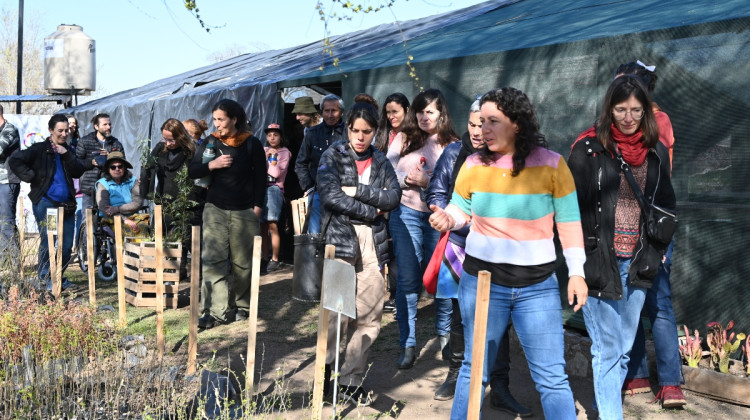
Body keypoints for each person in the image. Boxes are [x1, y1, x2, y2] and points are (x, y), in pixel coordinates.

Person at [428, 87, 588, 420]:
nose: (482, 129)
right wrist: (448, 218)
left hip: (537, 288)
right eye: (480, 121)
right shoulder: (472, 164)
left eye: (492, 121)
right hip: (482, 285)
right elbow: (462, 208)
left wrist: (576, 272)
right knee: (474, 372)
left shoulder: (553, 165)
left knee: (552, 379)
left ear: (516, 123)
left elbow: (570, 224)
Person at [568, 75, 675, 419]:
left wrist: (656, 251)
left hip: (639, 261)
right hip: (600, 260)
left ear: (645, 111)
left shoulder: (655, 150)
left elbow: (666, 205)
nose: (628, 118)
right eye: (620, 110)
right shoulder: (588, 150)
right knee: (608, 348)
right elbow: (570, 209)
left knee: (625, 348)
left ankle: (605, 406)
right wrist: (578, 262)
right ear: (608, 110)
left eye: (635, 110)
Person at [425, 97, 531, 416]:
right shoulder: (453, 153)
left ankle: (499, 388)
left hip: (496, 250)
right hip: (459, 247)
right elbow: (436, 191)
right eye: (471, 124)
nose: (476, 130)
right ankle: (457, 375)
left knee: (500, 318)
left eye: (482, 124)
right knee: (461, 315)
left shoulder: (503, 156)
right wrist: (451, 213)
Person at [317, 102, 401, 405]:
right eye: (356, 131)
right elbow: (330, 195)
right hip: (339, 239)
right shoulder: (333, 156)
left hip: (373, 242)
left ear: (374, 131)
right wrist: (370, 209)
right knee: (337, 312)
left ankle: (352, 380)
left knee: (369, 313)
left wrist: (358, 192)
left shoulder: (381, 160)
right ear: (347, 128)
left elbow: (393, 196)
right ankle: (325, 373)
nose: (361, 137)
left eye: (367, 132)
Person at [614, 61, 685, 408]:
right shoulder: (613, 125)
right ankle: (637, 375)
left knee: (658, 301)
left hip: (654, 227)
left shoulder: (658, 121)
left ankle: (671, 382)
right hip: (621, 226)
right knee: (630, 301)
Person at [387, 88, 457, 369]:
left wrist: (429, 181)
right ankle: (408, 343)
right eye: (420, 111)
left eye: (430, 111)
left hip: (439, 218)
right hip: (405, 214)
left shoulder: (452, 144)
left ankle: (445, 340)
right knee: (407, 279)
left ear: (441, 113)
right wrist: (408, 179)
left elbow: (458, 185)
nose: (424, 117)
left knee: (441, 279)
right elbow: (388, 173)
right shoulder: (403, 139)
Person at [188, 99, 266, 329]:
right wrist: (212, 165)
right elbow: (193, 170)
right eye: (215, 119)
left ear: (234, 119)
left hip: (244, 211)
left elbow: (261, 179)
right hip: (215, 209)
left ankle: (243, 306)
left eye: (221, 119)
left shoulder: (251, 144)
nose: (217, 124)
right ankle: (214, 312)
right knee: (213, 261)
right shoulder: (211, 142)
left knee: (243, 264)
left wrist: (257, 208)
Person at [9, 114, 85, 290]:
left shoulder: (69, 150)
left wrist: (66, 154)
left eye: (66, 130)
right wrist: (30, 176)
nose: (64, 133)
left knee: (66, 246)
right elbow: (15, 160)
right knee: (50, 240)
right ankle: (44, 278)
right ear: (51, 130)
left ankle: (57, 276)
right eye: (60, 130)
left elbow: (78, 171)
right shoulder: (39, 149)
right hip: (48, 204)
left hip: (67, 205)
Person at [141, 119, 205, 278]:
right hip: (164, 203)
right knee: (169, 242)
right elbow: (147, 167)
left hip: (187, 204)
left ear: (181, 136)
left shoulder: (192, 151)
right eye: (165, 138)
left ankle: (201, 275)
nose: (168, 143)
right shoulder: (159, 149)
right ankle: (177, 273)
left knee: (190, 240)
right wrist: (145, 190)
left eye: (171, 139)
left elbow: (200, 175)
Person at [374, 92, 410, 314]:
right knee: (384, 249)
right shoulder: (382, 136)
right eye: (388, 112)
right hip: (381, 200)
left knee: (398, 251)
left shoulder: (411, 136)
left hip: (403, 201)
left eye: (395, 112)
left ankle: (398, 296)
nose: (391, 116)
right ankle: (385, 293)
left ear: (406, 111)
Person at [295, 94, 346, 234]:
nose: (330, 114)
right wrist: (308, 186)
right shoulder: (312, 134)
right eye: (326, 111)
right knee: (315, 235)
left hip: (344, 191)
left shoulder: (349, 133)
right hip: (318, 190)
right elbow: (300, 163)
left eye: (334, 111)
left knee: (339, 234)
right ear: (322, 112)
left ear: (341, 112)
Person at [76, 113, 124, 217]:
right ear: (96, 126)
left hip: (109, 189)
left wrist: (110, 157)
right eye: (105, 125)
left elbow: (123, 164)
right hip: (90, 189)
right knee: (88, 220)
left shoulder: (115, 144)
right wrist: (91, 162)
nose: (108, 127)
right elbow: (77, 163)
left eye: (109, 124)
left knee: (109, 219)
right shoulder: (85, 142)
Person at [95, 151, 149, 237]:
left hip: (133, 217)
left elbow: (137, 203)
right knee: (124, 229)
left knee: (143, 228)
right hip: (111, 218)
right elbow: (103, 207)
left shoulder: (132, 181)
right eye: (113, 167)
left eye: (120, 166)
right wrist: (124, 219)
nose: (117, 169)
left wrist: (118, 208)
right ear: (108, 170)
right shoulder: (102, 184)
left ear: (124, 168)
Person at [261, 123, 291, 273]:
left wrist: (272, 157)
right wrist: (264, 156)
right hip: (261, 188)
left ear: (281, 137)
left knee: (272, 224)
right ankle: (264, 258)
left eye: (276, 135)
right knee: (262, 227)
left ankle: (275, 258)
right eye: (269, 135)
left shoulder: (285, 152)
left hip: (274, 189)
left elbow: (275, 173)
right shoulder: (263, 150)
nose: (272, 138)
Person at [0, 104, 21, 264]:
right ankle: (4, 261)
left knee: (7, 222)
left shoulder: (9, 130)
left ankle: (15, 264)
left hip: (7, 182)